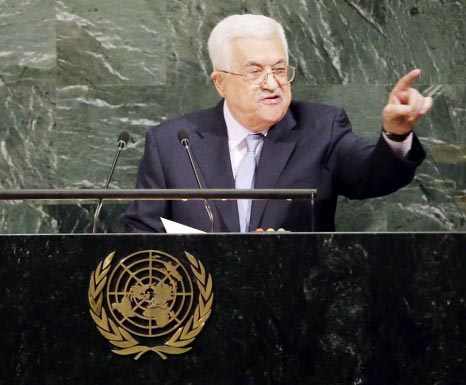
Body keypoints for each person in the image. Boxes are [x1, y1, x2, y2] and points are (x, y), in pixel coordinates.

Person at [124, 14, 432, 233]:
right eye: (255, 72)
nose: (272, 84)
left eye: (280, 70)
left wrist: (396, 133)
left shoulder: (321, 129)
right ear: (220, 83)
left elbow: (372, 175)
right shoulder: (172, 143)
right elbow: (142, 234)